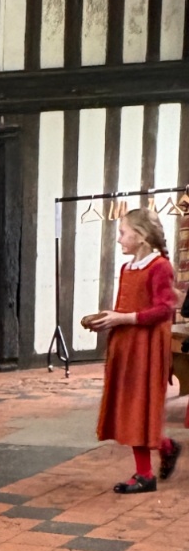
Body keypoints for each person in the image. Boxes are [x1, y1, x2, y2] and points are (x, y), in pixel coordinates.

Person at [85, 209, 181, 493]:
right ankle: (165, 446)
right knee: (128, 406)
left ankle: (145, 475)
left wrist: (123, 319)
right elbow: (125, 307)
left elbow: (165, 309)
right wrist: (106, 319)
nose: (119, 239)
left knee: (140, 405)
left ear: (141, 236)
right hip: (127, 344)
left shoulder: (160, 266)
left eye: (123, 233)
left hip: (147, 347)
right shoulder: (128, 268)